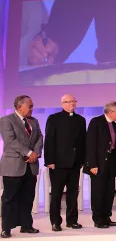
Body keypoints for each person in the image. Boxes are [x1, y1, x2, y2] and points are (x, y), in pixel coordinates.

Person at [0, 95, 43, 238]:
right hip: (13, 166)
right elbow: (10, 141)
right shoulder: (6, 120)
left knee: (28, 197)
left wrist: (36, 153)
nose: (32, 109)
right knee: (9, 198)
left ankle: (27, 225)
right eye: (30, 106)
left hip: (31, 166)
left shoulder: (34, 121)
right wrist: (29, 153)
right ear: (20, 107)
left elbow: (39, 137)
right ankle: (6, 228)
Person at [44, 94, 86, 231]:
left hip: (75, 163)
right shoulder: (54, 118)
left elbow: (83, 142)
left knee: (73, 193)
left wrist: (82, 160)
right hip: (58, 163)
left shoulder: (81, 120)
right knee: (56, 194)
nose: (72, 104)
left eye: (74, 101)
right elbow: (49, 140)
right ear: (62, 104)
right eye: (69, 102)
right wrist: (49, 160)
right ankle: (55, 222)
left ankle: (72, 220)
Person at [84, 101, 116, 228]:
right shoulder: (96, 122)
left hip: (111, 163)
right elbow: (90, 144)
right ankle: (98, 218)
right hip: (98, 164)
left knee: (109, 192)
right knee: (98, 192)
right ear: (110, 112)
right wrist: (92, 164)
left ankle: (106, 216)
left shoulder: (115, 125)